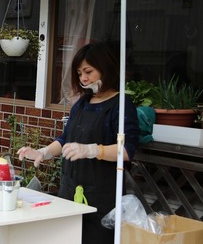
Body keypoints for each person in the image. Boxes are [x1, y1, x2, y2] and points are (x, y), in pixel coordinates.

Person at [17, 42, 140, 244]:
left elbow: (126, 150)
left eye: (88, 72)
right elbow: (65, 139)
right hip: (70, 191)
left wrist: (93, 150)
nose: (83, 78)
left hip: (101, 197)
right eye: (80, 73)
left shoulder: (121, 106)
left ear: (106, 68)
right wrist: (44, 152)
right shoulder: (82, 103)